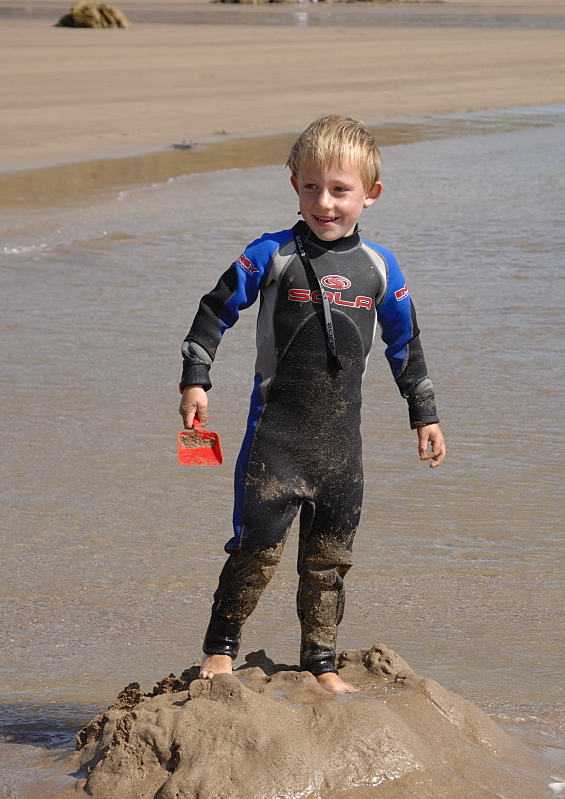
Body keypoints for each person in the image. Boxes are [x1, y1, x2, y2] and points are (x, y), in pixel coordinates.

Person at [179, 114, 446, 695]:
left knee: (328, 563)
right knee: (254, 551)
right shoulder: (270, 255)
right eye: (310, 188)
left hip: (341, 451)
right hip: (275, 440)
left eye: (339, 190)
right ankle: (220, 648)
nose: (324, 203)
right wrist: (195, 379)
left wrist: (424, 415)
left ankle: (320, 660)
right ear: (294, 185)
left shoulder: (380, 267)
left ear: (370, 195)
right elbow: (214, 310)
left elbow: (406, 344)